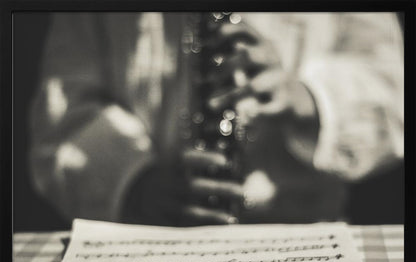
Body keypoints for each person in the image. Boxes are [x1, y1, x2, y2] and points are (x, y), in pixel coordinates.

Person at [29, 12, 404, 226]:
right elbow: (62, 110)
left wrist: (305, 98)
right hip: (147, 233)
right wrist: (134, 182)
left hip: (303, 227)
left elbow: (393, 87)